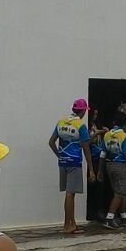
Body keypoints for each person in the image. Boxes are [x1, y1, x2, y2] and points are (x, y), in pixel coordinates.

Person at [48, 99, 95, 235]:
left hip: (63, 162)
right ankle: (69, 226)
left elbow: (51, 142)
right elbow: (86, 148)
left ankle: (69, 224)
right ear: (83, 111)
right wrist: (91, 169)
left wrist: (59, 155)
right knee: (70, 194)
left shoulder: (61, 122)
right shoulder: (80, 125)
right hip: (74, 162)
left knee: (68, 194)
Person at [103, 121, 126, 229]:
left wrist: (99, 170)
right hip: (120, 166)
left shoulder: (107, 135)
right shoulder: (124, 136)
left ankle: (123, 217)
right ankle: (109, 218)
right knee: (120, 192)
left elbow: (103, 153)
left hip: (109, 165)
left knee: (119, 192)